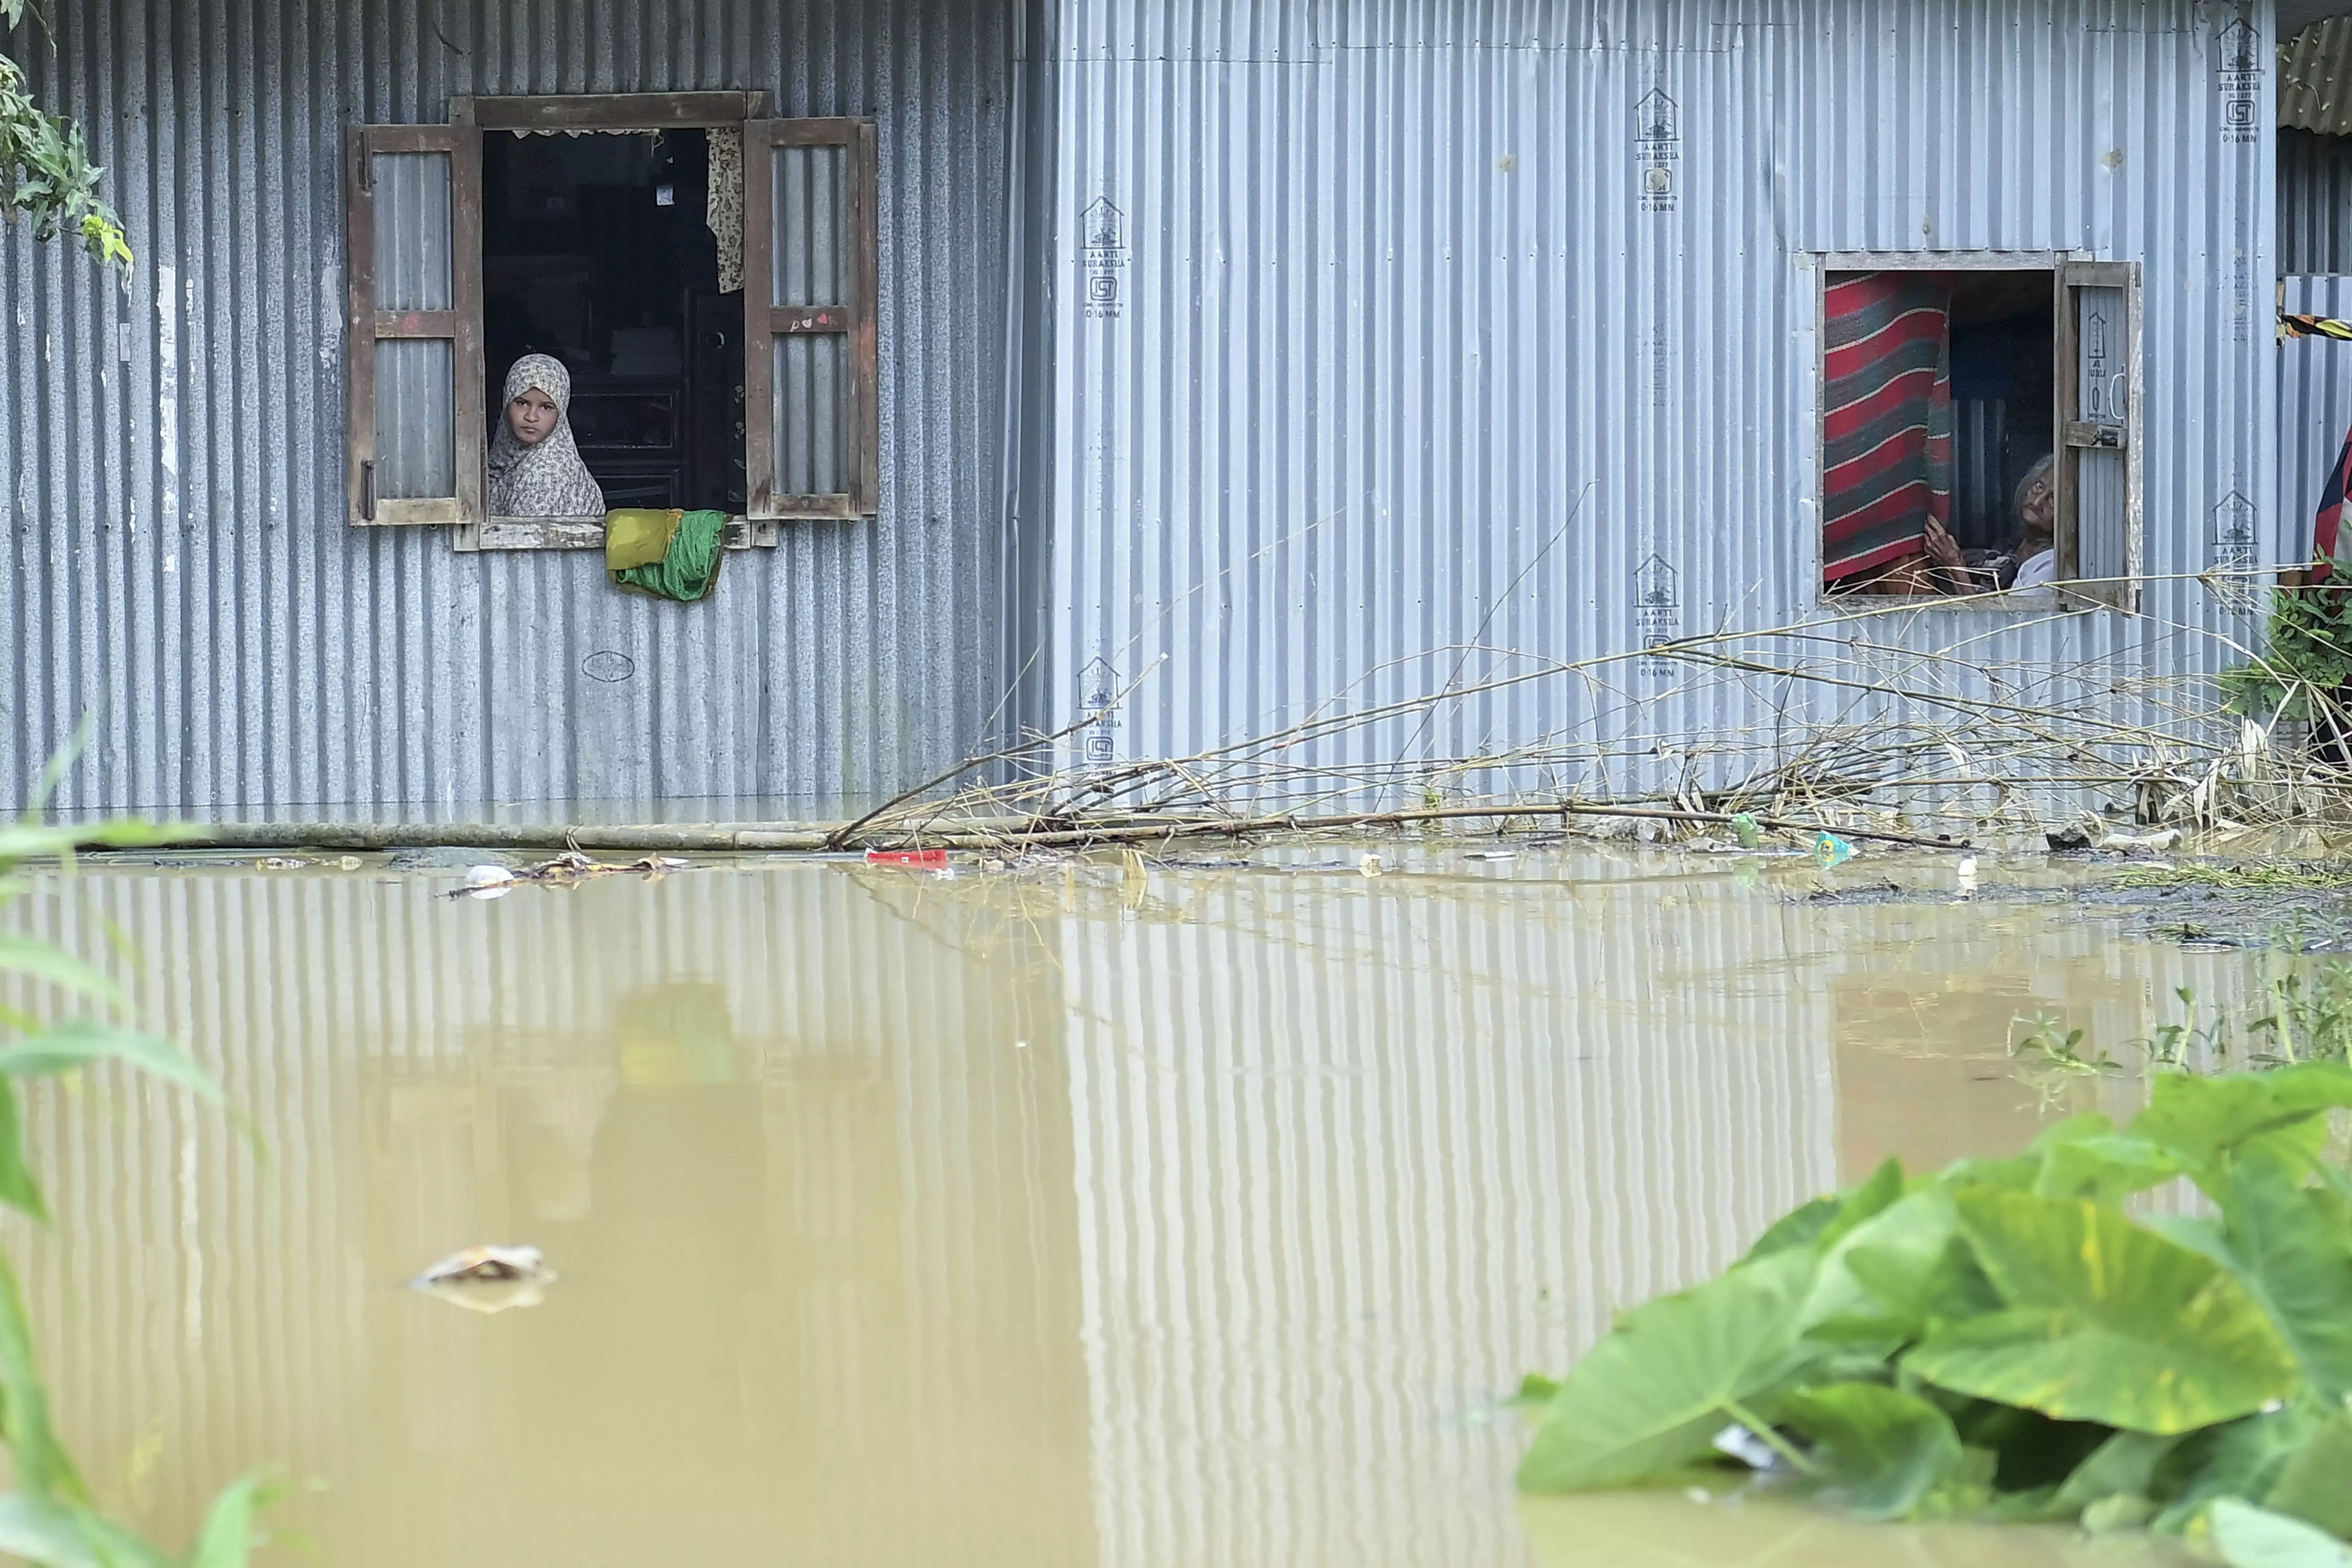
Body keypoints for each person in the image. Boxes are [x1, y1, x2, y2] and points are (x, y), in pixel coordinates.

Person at [487, 353, 606, 518]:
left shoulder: (545, 473)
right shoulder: (509, 459)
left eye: (546, 407)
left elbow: (524, 540)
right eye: (522, 403)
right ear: (507, 403)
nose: (531, 417)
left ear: (561, 414)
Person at [1921, 453, 2057, 594]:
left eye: (2053, 500)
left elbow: (2007, 616)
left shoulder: (2050, 566)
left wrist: (1954, 567)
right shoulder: (2013, 547)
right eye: (2040, 487)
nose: (2037, 502)